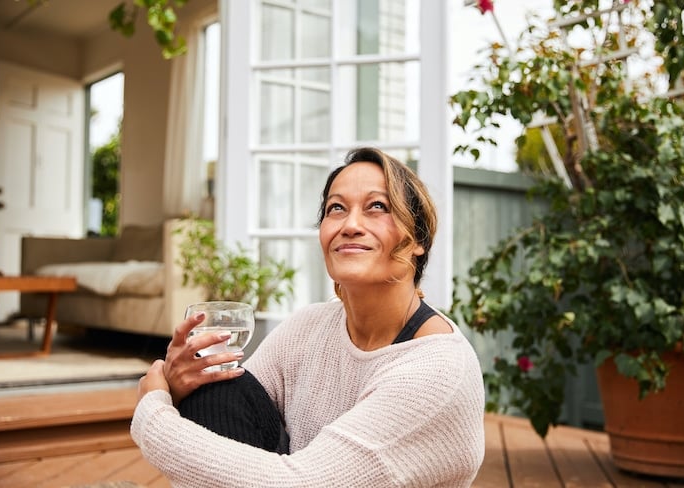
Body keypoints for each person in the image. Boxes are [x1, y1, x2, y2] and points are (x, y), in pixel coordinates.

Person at [131, 147, 486, 487]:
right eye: (336, 208)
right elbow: (227, 413)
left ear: (418, 239)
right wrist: (182, 386)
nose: (351, 225)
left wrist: (154, 416)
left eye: (377, 206)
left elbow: (302, 483)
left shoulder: (438, 371)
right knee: (214, 386)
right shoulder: (308, 327)